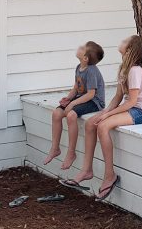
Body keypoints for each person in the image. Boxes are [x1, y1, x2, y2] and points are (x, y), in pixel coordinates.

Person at [62, 34, 142, 201]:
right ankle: (87, 170)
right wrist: (104, 112)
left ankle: (109, 175)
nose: (121, 41)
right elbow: (118, 97)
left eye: (125, 41)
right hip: (129, 107)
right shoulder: (124, 68)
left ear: (130, 49)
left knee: (103, 126)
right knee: (91, 123)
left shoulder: (135, 70)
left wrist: (109, 115)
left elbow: (132, 101)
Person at [43, 41, 106, 171]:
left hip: (94, 101)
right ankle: (55, 148)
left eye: (83, 48)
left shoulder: (91, 71)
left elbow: (90, 94)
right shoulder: (79, 67)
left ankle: (71, 153)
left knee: (71, 115)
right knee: (56, 113)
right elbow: (76, 88)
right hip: (81, 98)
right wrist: (69, 98)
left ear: (85, 58)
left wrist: (72, 104)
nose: (79, 47)